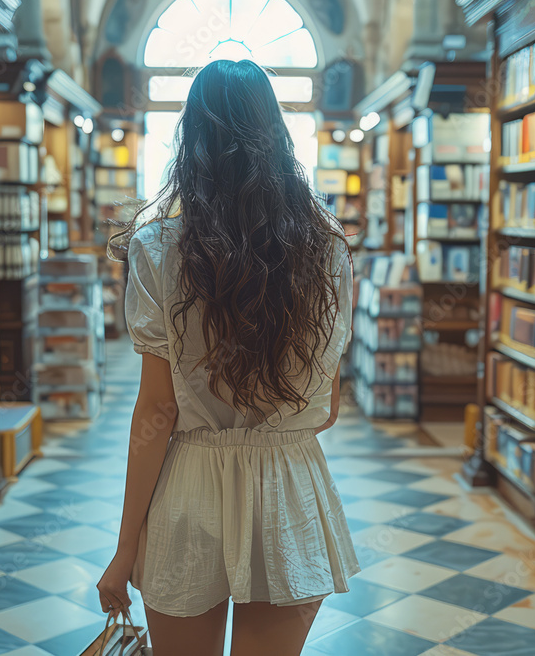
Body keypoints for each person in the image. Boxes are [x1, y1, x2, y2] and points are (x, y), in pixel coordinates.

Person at [97, 59, 359, 656]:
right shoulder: (326, 249)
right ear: (279, 138)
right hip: (288, 490)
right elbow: (327, 410)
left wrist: (124, 547)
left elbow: (157, 413)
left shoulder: (158, 248)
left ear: (191, 139)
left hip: (191, 490)